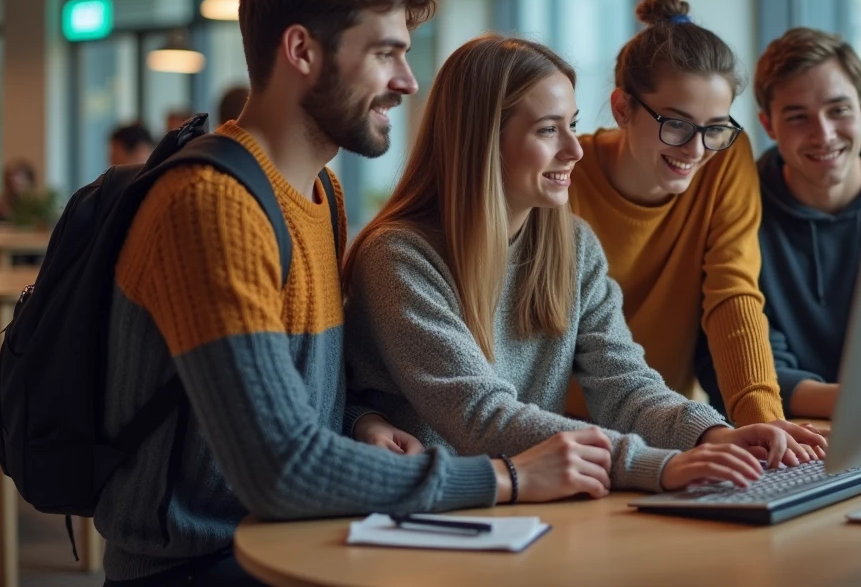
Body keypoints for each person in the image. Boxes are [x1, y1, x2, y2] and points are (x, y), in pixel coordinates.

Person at [95, 0, 601, 587]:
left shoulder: (320, 193)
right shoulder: (212, 206)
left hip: (304, 536)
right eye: (386, 54)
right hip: (202, 561)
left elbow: (291, 396)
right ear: (302, 50)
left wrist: (358, 420)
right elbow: (282, 469)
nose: (408, 82)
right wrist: (507, 477)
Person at [344, 34, 827, 497]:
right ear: (482, 139)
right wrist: (654, 465)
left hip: (536, 507)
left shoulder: (572, 246)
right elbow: (481, 416)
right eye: (548, 129)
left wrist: (712, 435)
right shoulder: (399, 257)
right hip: (435, 513)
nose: (575, 149)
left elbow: (624, 384)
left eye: (572, 125)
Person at [566, 0, 811, 440]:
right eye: (676, 124)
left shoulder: (724, 158)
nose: (695, 151)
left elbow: (733, 292)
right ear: (623, 108)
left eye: (715, 127)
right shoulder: (564, 172)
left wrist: (765, 422)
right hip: (554, 432)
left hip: (664, 428)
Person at [749, 27, 861, 419]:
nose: (824, 134)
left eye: (839, 110)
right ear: (768, 125)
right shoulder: (739, 211)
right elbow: (746, 369)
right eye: (798, 117)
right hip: (796, 433)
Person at [0, 158, 38, 223]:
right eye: (8, 178)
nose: (12, 180)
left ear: (29, 182)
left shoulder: (37, 208)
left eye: (18, 183)